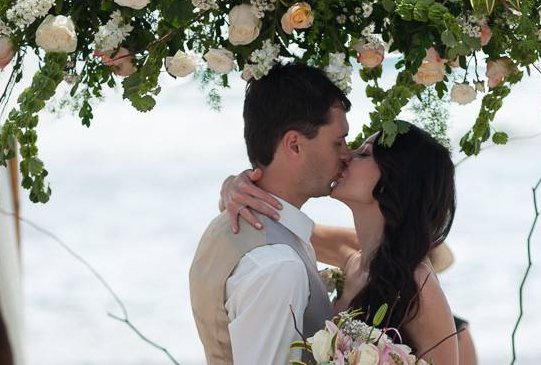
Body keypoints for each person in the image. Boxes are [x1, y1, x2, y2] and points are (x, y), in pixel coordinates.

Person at [221, 125, 462, 364]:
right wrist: (235, 187)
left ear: (394, 179)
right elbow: (274, 222)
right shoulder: (355, 261)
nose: (347, 156)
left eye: (364, 153)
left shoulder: (418, 282)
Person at [189, 62, 352, 365]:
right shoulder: (278, 265)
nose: (347, 154)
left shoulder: (231, 226)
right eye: (338, 142)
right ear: (294, 145)